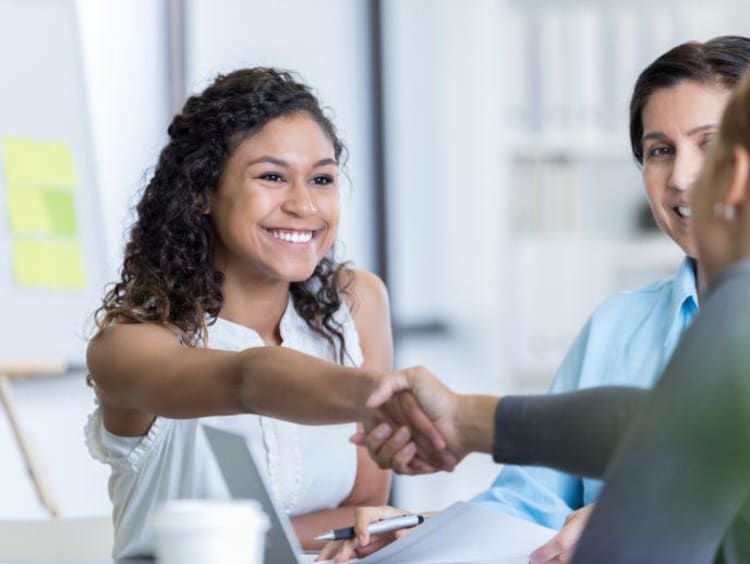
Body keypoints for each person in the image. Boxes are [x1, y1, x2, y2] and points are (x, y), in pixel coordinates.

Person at [331, 36, 750, 563]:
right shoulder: (618, 326)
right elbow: (532, 504)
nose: (682, 178)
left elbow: (661, 433)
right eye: (659, 150)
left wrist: (635, 519)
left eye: (709, 144)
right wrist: (427, 530)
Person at [83, 67, 441, 558]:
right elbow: (248, 379)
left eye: (321, 179)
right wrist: (388, 398)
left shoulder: (356, 305)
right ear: (201, 192)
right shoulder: (129, 348)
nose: (302, 205)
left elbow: (359, 510)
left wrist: (369, 526)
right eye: (272, 177)